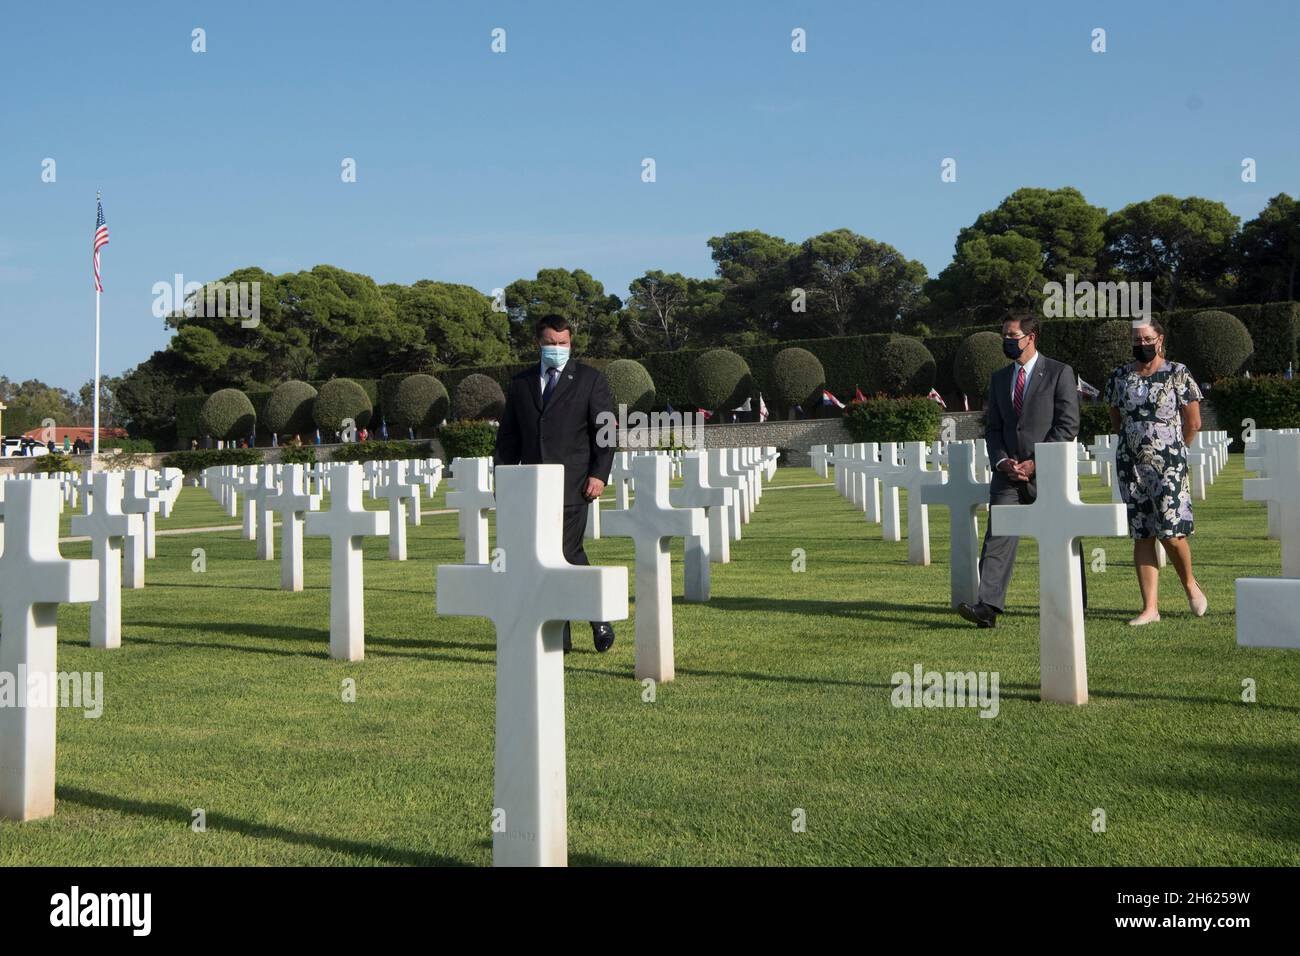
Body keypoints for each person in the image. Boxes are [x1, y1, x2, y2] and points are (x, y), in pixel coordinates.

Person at [494, 313, 617, 654]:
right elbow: (509, 436)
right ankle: (564, 635)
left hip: (574, 484)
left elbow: (605, 431)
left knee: (566, 552)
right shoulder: (521, 383)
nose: (557, 349)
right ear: (539, 343)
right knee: (545, 559)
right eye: (550, 343)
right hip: (531, 489)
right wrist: (502, 478)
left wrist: (599, 473)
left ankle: (598, 618)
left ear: (571, 343)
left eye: (563, 344)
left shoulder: (590, 379)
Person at [958, 312, 1082, 628]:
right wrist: (1002, 461)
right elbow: (994, 427)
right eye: (1005, 336)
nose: (1007, 342)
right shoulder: (999, 379)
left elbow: (1068, 424)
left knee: (1063, 535)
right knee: (998, 534)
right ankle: (987, 606)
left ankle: (1074, 600)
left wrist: (1037, 461)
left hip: (1050, 470)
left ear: (1031, 337)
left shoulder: (1059, 372)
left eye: (1012, 337)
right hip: (1008, 474)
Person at [1105, 318, 1207, 625]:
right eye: (1137, 339)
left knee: (1172, 532)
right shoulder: (1120, 376)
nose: (1142, 344)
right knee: (1142, 532)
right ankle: (1150, 608)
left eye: (1147, 338)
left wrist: (1175, 450)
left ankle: (1190, 583)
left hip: (1169, 463)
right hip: (1131, 463)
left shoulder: (1177, 372)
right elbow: (1115, 419)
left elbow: (1194, 422)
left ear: (1160, 339)